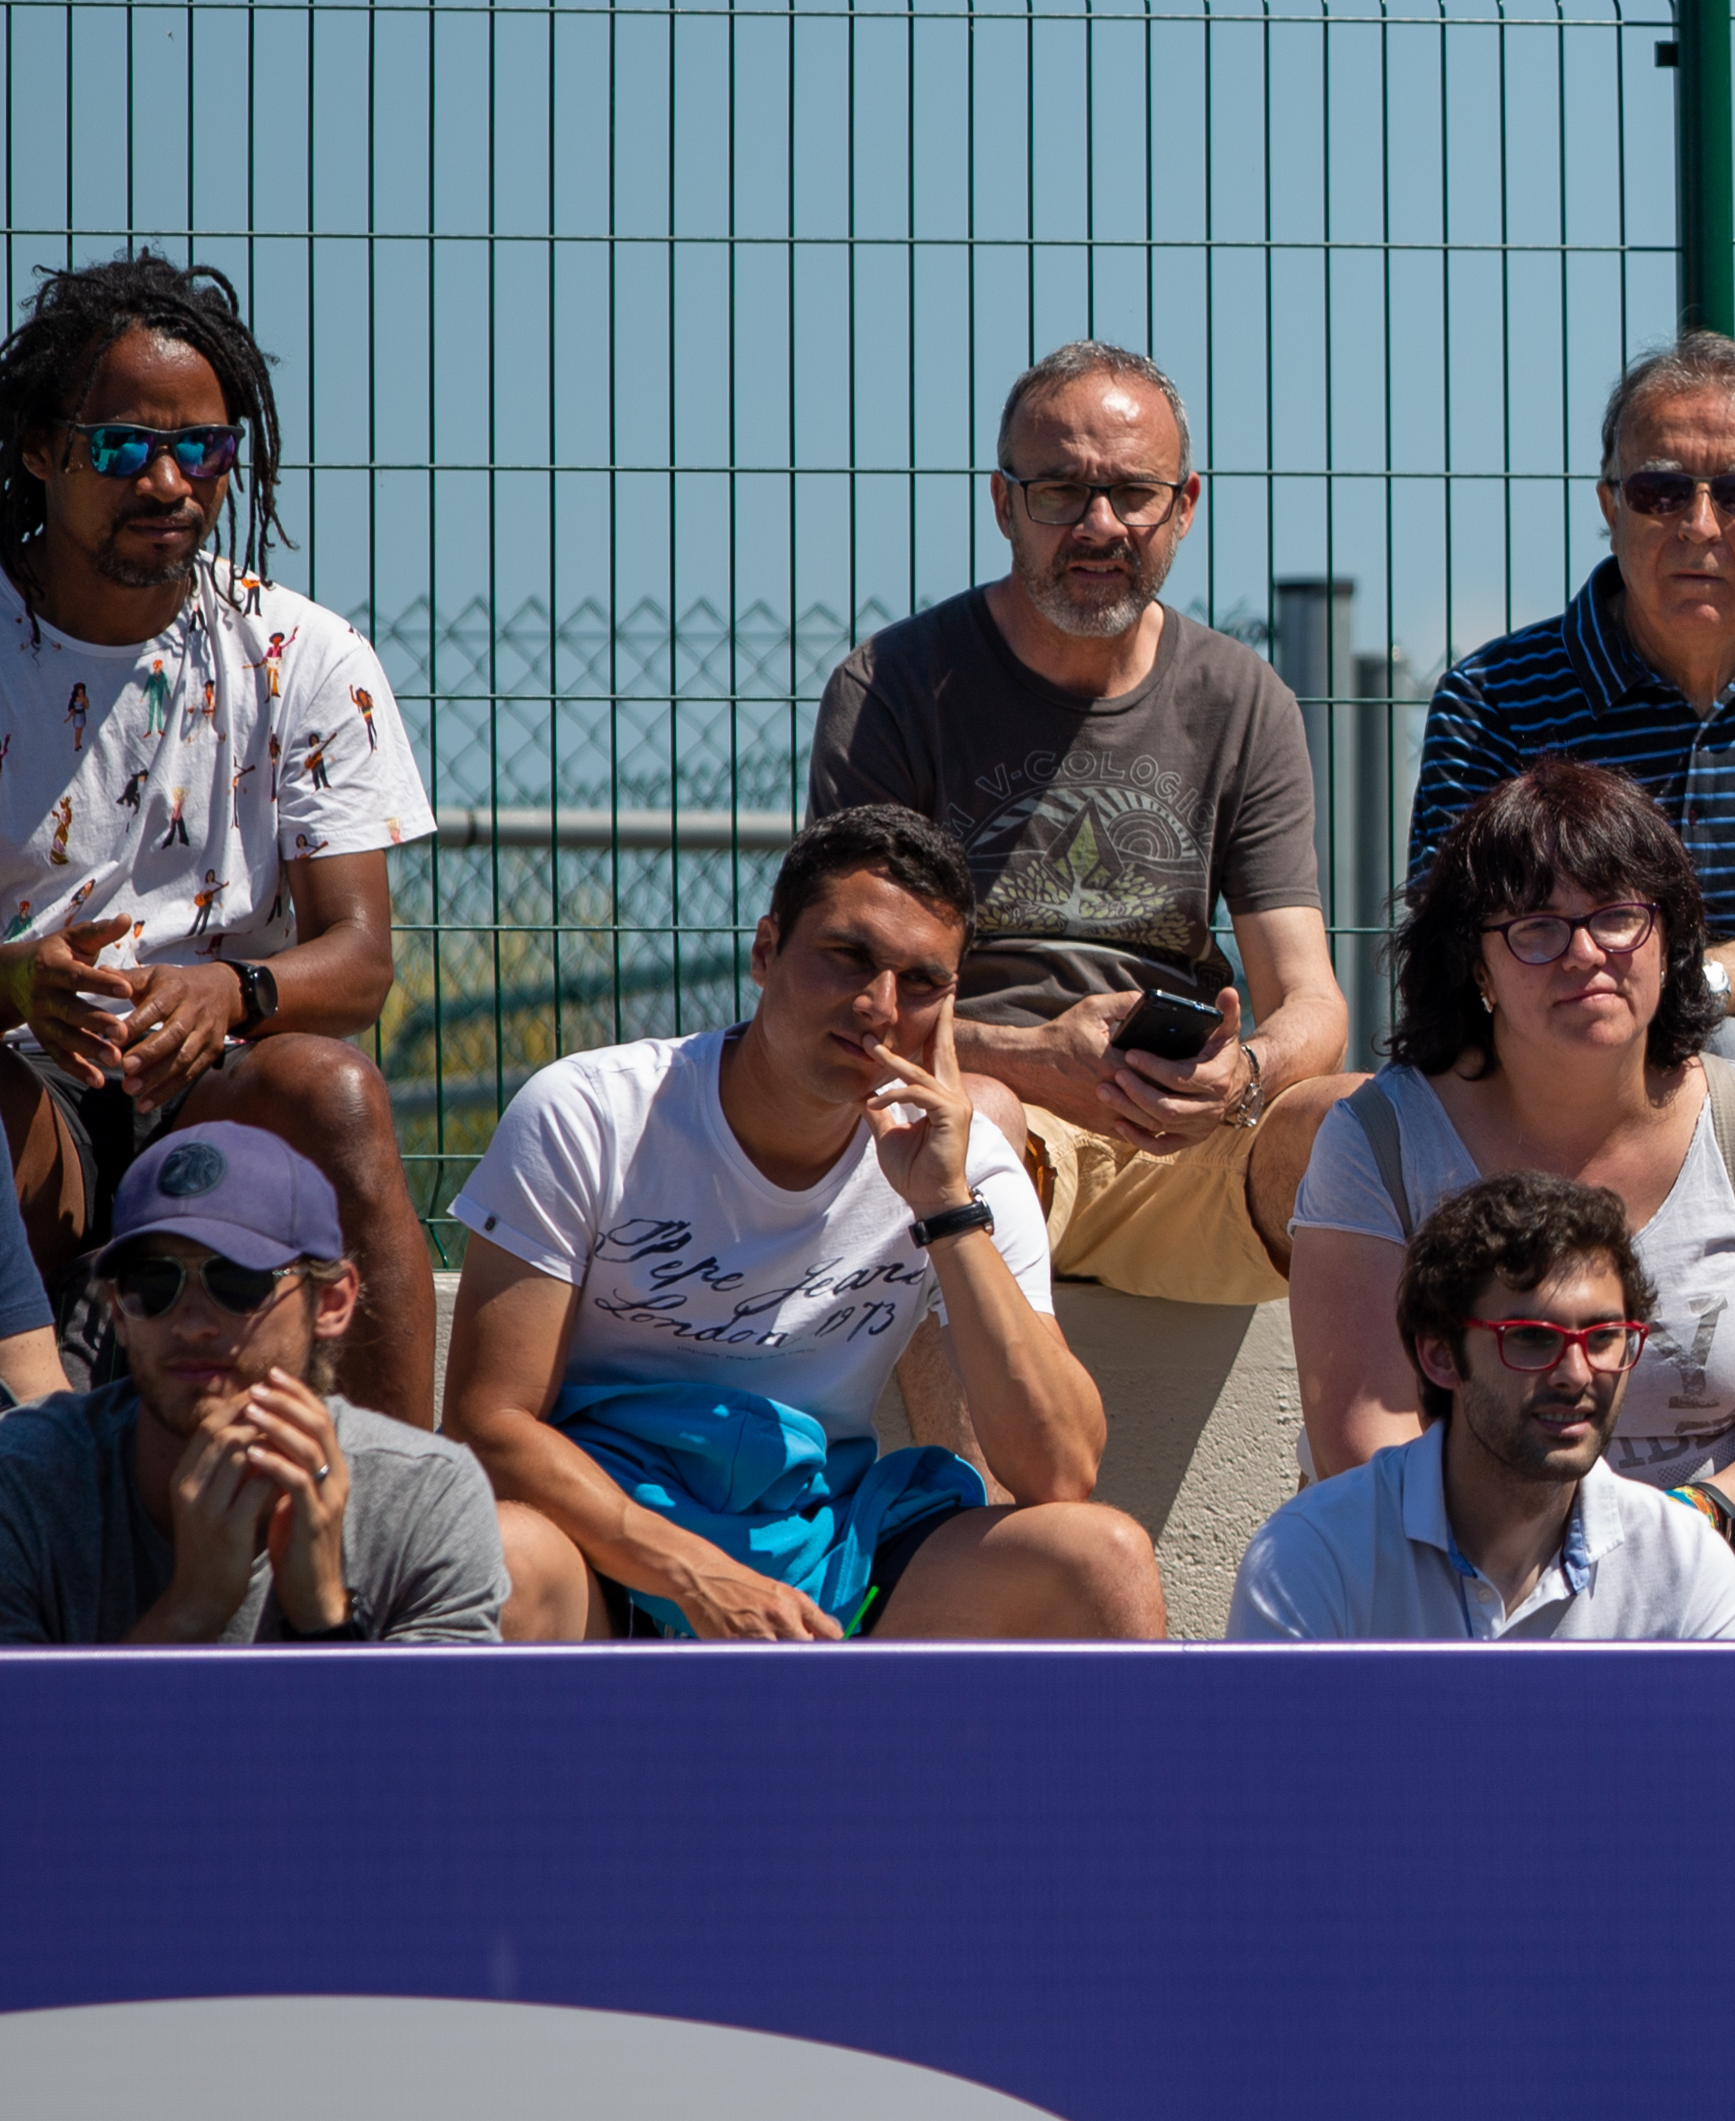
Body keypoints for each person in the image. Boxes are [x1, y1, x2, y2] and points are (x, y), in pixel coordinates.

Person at [451, 806, 1164, 1640]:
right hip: (608, 1549)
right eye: (847, 957)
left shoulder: (960, 1166)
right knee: (498, 1556)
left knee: (1102, 1556)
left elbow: (1061, 1469)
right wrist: (696, 1571)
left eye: (922, 981)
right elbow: (484, 1424)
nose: (879, 1005)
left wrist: (943, 1208)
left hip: (829, 1550)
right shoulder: (592, 1114)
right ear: (766, 950)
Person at [812, 341, 1347, 1305]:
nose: (1100, 525)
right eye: (1060, 492)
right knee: (968, 1121)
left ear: (1184, 506)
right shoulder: (893, 688)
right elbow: (850, 1006)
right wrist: (1039, 1060)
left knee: (1361, 1126)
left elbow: (1313, 1000)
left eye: (1133, 494)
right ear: (1003, 504)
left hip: (1187, 1141)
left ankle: (1384, 1463)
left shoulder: (1243, 698)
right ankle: (970, 1467)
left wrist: (1245, 1076)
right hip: (991, 1123)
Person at [1289, 755, 1735, 1631]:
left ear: (1669, 936)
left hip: (1705, 1547)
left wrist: (1677, 1527)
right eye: (1535, 927)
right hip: (1453, 1559)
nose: (1585, 953)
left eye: (1617, 917)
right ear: (1476, 965)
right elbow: (1367, 1440)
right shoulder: (1378, 1139)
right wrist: (1537, 1565)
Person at [2, 252, 437, 1417]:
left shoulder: (302, 653)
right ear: (41, 449)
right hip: (20, 1088)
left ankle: (403, 1514)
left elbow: (359, 957)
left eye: (202, 448)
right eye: (120, 446)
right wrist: (13, 985)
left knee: (334, 1092)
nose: (166, 479)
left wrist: (230, 994)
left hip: (204, 1082)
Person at [1408, 331, 1735, 1163]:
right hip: (1538, 1070)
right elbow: (1450, 955)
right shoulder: (1492, 696)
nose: (1700, 526)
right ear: (1611, 506)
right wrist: (1732, 1003)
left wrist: (1702, 993)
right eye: (1661, 491)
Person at [0, 1121, 498, 1642]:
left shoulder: (427, 1499)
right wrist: (189, 1611)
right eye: (152, 1283)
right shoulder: (24, 1482)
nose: (193, 1324)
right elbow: (28, 1727)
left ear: (330, 1303)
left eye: (237, 1281)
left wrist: (324, 1614)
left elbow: (424, 1727)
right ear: (117, 1314)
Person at [1230, 1172, 1735, 1642]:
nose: (1576, 1373)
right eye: (1529, 1338)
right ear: (1439, 1355)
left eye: (1604, 1336)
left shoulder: (1686, 1568)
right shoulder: (1313, 1557)